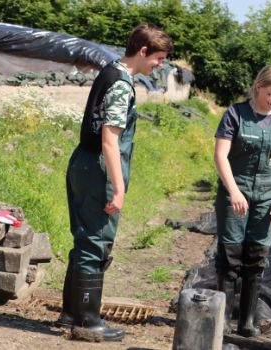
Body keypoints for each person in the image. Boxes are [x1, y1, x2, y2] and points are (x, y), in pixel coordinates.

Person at [58, 23, 172, 341]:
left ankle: (72, 314)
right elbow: (110, 140)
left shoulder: (109, 70)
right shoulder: (122, 84)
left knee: (85, 238)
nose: (159, 65)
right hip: (99, 168)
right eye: (159, 58)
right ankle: (87, 322)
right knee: (96, 242)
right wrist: (119, 188)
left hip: (83, 161)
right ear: (143, 51)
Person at [213, 65, 271, 337]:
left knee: (256, 256)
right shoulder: (236, 114)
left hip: (266, 197)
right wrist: (234, 191)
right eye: (270, 94)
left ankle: (247, 322)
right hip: (235, 192)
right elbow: (220, 155)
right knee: (230, 256)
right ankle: (222, 321)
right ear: (258, 88)